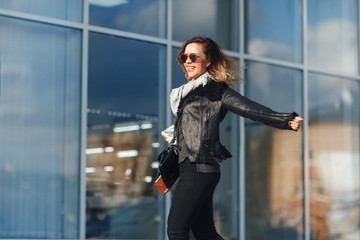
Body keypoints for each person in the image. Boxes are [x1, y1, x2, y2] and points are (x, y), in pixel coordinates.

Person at [167, 36, 303, 240]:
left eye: (193, 56)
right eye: (184, 56)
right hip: (193, 167)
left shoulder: (215, 91)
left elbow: (250, 109)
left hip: (199, 167)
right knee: (205, 233)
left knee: (176, 230)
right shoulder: (184, 94)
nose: (188, 61)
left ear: (208, 60)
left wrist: (284, 120)